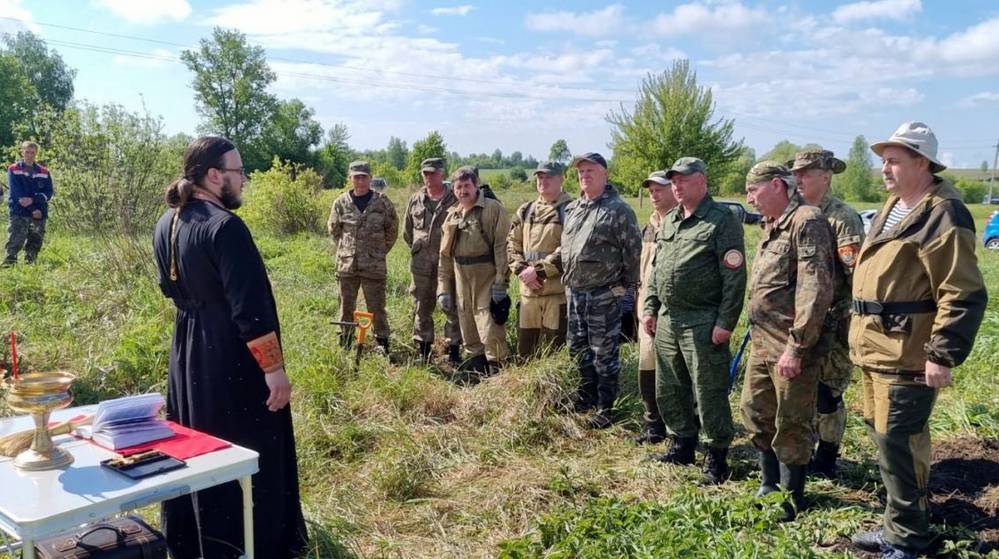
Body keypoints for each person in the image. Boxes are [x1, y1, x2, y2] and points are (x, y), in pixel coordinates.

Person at [152, 136, 306, 558]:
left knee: (195, 442)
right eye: (239, 173)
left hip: (187, 350)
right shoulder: (226, 227)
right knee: (242, 445)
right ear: (214, 175)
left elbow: (169, 289)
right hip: (230, 355)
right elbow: (249, 309)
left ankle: (193, 541)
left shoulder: (167, 222)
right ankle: (251, 544)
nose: (244, 181)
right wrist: (273, 371)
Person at [849, 122, 987, 559]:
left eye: (894, 160)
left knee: (900, 444)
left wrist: (942, 354)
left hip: (908, 352)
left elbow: (961, 290)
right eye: (884, 160)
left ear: (922, 163)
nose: (884, 169)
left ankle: (909, 541)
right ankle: (899, 526)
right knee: (886, 440)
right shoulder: (896, 205)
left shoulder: (942, 213)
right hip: (876, 348)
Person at [641, 159, 746, 484]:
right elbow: (658, 269)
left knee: (708, 388)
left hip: (704, 319)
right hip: (670, 319)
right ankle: (682, 443)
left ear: (701, 181)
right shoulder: (670, 219)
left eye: (683, 181)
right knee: (670, 385)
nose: (676, 186)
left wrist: (725, 322)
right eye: (673, 181)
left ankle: (716, 456)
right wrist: (650, 306)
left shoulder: (721, 220)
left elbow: (734, 276)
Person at [742, 160, 836, 521]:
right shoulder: (772, 225)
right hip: (762, 342)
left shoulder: (806, 221)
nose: (749, 198)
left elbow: (815, 289)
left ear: (778, 186)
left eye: (754, 190)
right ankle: (769, 483)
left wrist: (797, 347)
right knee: (755, 410)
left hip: (791, 346)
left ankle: (792, 495)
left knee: (793, 421)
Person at [789, 148, 864, 478]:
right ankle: (802, 448)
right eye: (796, 173)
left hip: (834, 322)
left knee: (827, 394)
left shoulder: (841, 218)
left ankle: (828, 456)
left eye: (806, 173)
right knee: (800, 390)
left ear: (826, 175)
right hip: (801, 321)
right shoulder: (795, 215)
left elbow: (857, 277)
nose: (799, 179)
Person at [560, 152, 641, 429]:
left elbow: (633, 254)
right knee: (577, 347)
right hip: (575, 293)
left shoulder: (619, 210)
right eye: (581, 171)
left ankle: (607, 407)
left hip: (603, 294)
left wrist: (623, 291)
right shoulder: (573, 209)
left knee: (603, 352)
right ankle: (586, 397)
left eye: (590, 170)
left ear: (605, 174)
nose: (584, 175)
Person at [438, 166, 511, 377]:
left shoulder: (492, 209)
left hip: (487, 276)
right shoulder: (452, 215)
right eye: (458, 187)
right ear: (453, 189)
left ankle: (498, 379)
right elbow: (444, 256)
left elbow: (502, 247)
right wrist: (443, 289)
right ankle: (476, 378)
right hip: (462, 277)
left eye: (467, 186)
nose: (463, 191)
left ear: (476, 185)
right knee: (468, 327)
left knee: (491, 329)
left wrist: (501, 283)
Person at [328, 160, 399, 353]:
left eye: (364, 177)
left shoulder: (382, 202)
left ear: (370, 178)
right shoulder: (341, 202)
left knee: (376, 306)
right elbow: (335, 231)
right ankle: (346, 340)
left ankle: (382, 343)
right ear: (350, 178)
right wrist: (348, 249)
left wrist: (378, 251)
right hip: (347, 265)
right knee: (345, 306)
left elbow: (392, 230)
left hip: (374, 265)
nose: (360, 181)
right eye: (356, 177)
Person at [507, 161, 573, 358]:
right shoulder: (525, 210)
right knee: (526, 353)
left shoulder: (571, 210)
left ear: (562, 178)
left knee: (554, 353)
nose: (543, 181)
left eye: (549, 177)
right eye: (540, 177)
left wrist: (538, 271)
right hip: (528, 295)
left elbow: (570, 249)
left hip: (557, 295)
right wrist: (522, 271)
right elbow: (511, 244)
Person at [403, 157, 462, 364]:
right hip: (421, 266)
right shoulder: (415, 199)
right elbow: (407, 232)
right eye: (426, 173)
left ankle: (454, 350)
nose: (429, 177)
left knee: (452, 306)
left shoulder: (455, 198)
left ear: (442, 173)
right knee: (422, 306)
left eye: (434, 173)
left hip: (449, 264)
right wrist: (421, 248)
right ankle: (424, 350)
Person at [633, 170, 677, 445]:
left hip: (672, 310)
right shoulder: (648, 226)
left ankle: (680, 427)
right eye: (650, 190)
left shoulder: (681, 223)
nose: (654, 194)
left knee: (674, 371)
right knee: (646, 364)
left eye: (659, 188)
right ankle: (653, 423)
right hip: (645, 309)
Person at [4, 141, 53, 266]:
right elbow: (16, 193)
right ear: (22, 152)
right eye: (27, 152)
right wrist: (32, 209)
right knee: (16, 238)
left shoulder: (44, 171)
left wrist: (34, 202)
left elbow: (48, 192)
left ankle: (30, 263)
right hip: (19, 210)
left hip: (40, 211)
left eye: (32, 152)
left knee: (36, 238)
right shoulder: (14, 169)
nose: (29, 155)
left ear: (36, 153)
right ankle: (9, 263)